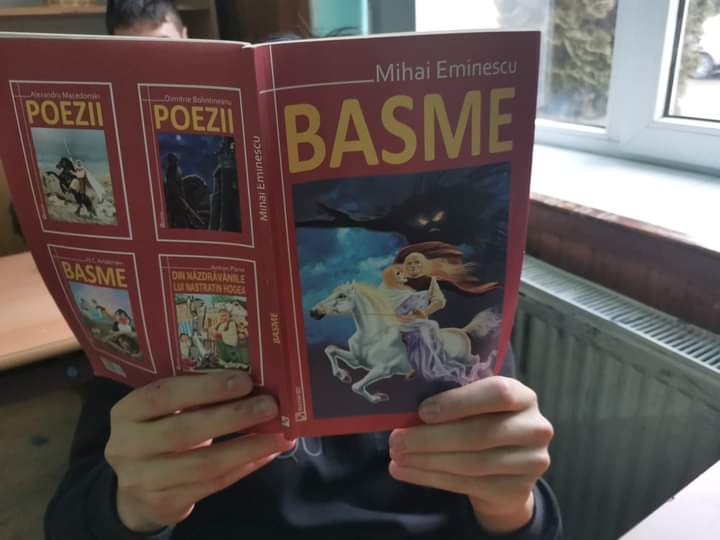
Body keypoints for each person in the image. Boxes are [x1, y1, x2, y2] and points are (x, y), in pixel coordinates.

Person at [44, 2, 561, 539]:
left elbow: (526, 508)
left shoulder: (451, 298)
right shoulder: (156, 319)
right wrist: (133, 505)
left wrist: (512, 504)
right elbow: (70, 520)